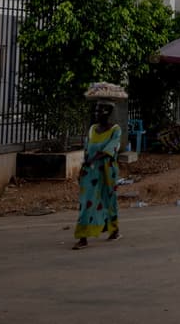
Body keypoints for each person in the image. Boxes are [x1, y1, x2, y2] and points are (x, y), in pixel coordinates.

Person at [73, 100, 123, 250]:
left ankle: (114, 230)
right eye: (95, 111)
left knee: (108, 200)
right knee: (87, 201)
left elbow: (110, 149)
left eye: (99, 111)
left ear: (108, 113)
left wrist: (93, 159)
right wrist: (83, 167)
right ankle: (83, 237)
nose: (96, 113)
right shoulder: (92, 129)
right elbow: (87, 150)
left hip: (107, 171)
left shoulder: (116, 130)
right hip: (91, 172)